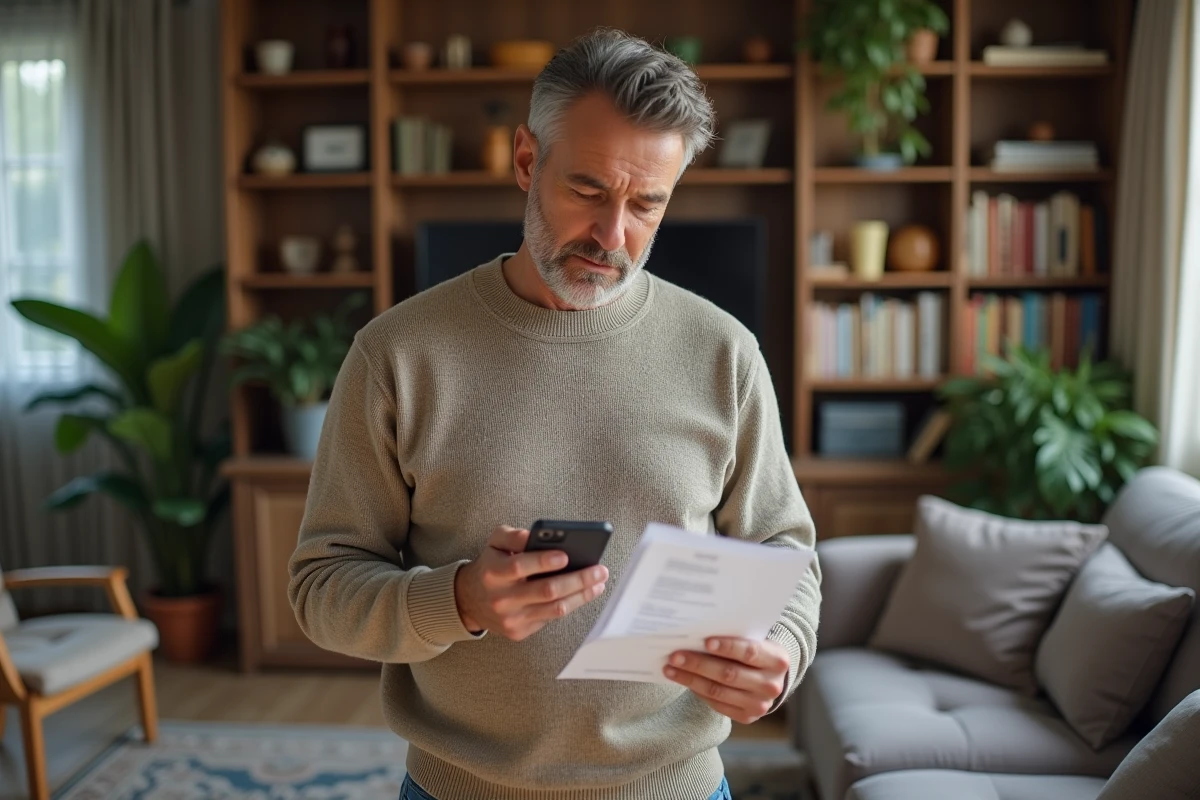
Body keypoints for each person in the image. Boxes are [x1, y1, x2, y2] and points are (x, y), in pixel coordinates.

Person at [288, 28, 822, 800]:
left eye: (646, 204)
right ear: (526, 160)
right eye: (589, 191)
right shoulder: (396, 355)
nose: (612, 236)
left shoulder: (724, 353)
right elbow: (322, 589)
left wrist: (782, 653)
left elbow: (786, 551)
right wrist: (462, 600)